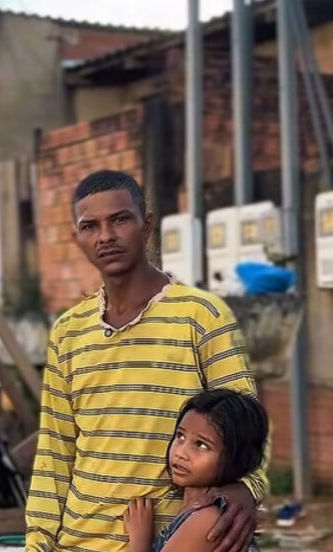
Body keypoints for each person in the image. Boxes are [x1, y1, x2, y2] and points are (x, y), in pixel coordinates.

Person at [25, 170, 267, 552]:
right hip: (76, 542)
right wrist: (38, 542)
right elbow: (56, 453)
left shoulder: (201, 317)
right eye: (90, 226)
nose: (105, 236)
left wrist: (246, 489)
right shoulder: (67, 332)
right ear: (78, 239)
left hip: (171, 541)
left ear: (147, 225)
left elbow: (247, 425)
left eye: (120, 220)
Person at [124, 389, 268, 552]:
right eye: (180, 436)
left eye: (201, 445)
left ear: (237, 457)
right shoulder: (194, 510)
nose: (181, 453)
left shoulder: (209, 518)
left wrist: (139, 541)